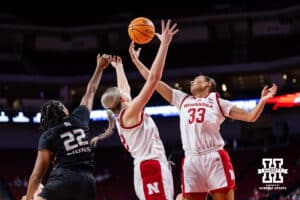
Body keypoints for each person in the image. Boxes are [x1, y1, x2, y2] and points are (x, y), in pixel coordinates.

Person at [129, 38, 278, 200]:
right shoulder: (182, 100)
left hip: (214, 157)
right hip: (191, 159)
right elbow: (153, 81)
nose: (193, 81)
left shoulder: (217, 101)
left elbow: (250, 117)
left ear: (208, 85)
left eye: (198, 80)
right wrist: (136, 61)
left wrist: (263, 101)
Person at [92, 19, 178, 200]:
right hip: (150, 167)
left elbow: (124, 90)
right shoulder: (130, 114)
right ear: (122, 99)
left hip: (151, 166)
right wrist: (164, 45)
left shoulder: (125, 113)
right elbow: (153, 79)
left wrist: (120, 67)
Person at [22, 53, 113, 200]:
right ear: (63, 111)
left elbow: (37, 175)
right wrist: (99, 69)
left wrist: (28, 198)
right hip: (88, 183)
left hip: (63, 179)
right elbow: (91, 91)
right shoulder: (79, 118)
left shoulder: (48, 134)